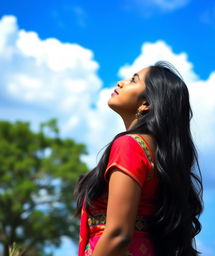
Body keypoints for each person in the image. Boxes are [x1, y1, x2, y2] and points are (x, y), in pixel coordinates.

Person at [74, 60, 204, 256]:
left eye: (133, 80)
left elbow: (118, 234)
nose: (120, 83)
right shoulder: (158, 153)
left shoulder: (129, 145)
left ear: (146, 104)